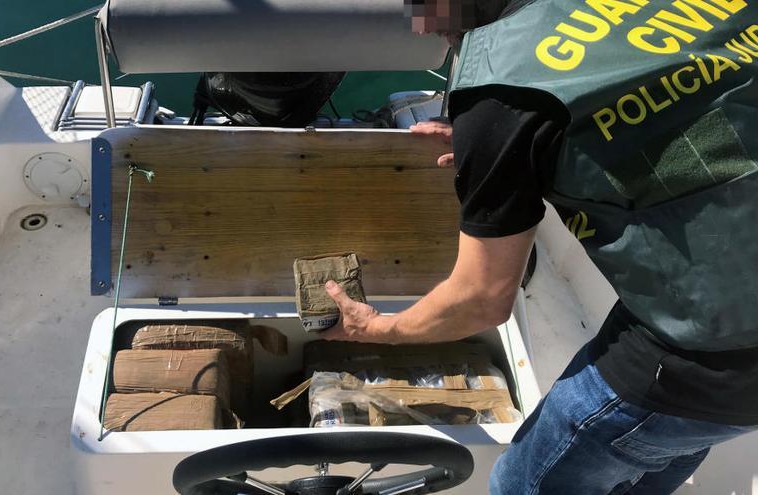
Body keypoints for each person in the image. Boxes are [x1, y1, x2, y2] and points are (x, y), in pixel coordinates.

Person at [322, 1, 758, 493]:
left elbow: (480, 301)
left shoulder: (501, 89)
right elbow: (684, 112)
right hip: (733, 298)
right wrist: (500, 147)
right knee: (669, 439)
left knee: (520, 482)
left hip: (714, 358)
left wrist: (377, 327)